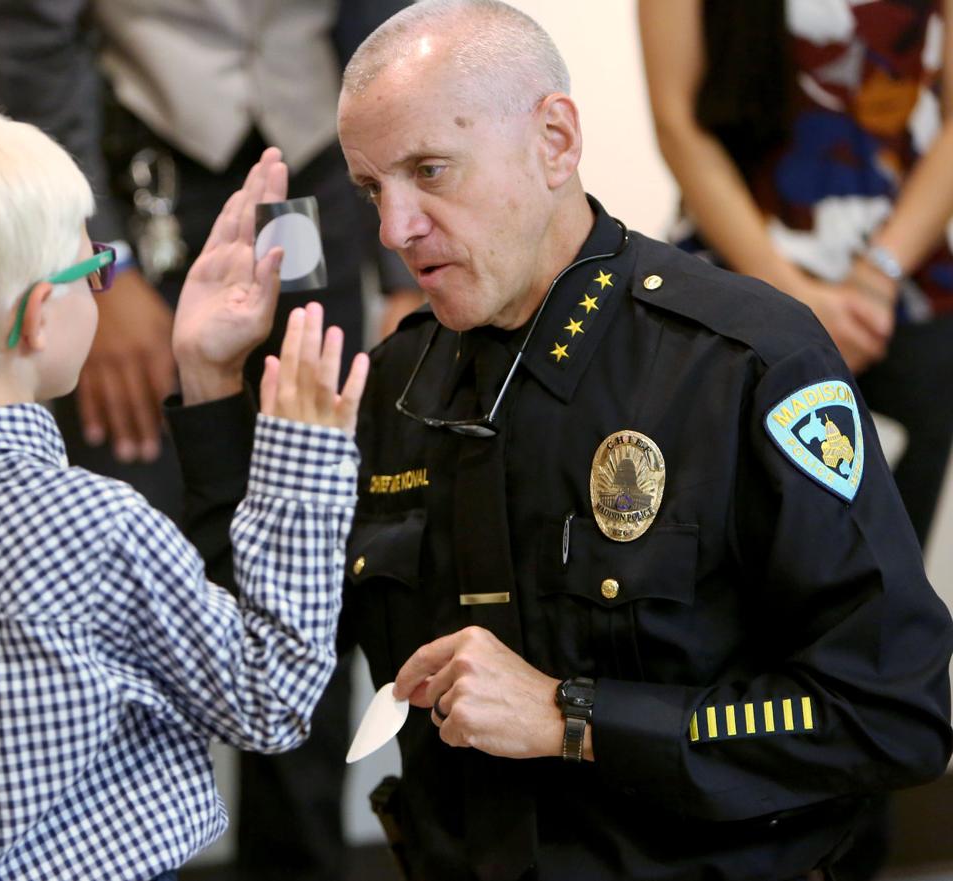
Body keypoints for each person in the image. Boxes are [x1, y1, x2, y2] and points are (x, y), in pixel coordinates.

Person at [164, 2, 953, 879]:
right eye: (371, 190)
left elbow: (889, 713)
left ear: (554, 139)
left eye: (430, 170)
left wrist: (570, 714)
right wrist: (208, 386)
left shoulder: (742, 363)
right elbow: (266, 681)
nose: (394, 229)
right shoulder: (390, 387)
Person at [0, 106, 368, 881]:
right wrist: (301, 461)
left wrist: (205, 383)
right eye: (90, 267)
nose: (99, 284)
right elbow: (270, 699)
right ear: (40, 316)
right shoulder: (94, 524)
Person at [0, 6, 420, 875]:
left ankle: (298, 861)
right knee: (125, 569)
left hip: (318, 177)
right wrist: (100, 269)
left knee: (311, 544)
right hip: (143, 190)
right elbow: (29, 38)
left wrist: (401, 265)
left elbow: (384, 18)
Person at [639, 0, 953, 549]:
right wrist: (789, 296)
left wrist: (877, 275)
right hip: (731, 301)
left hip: (900, 305)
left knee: (889, 588)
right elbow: (676, 118)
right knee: (722, 572)